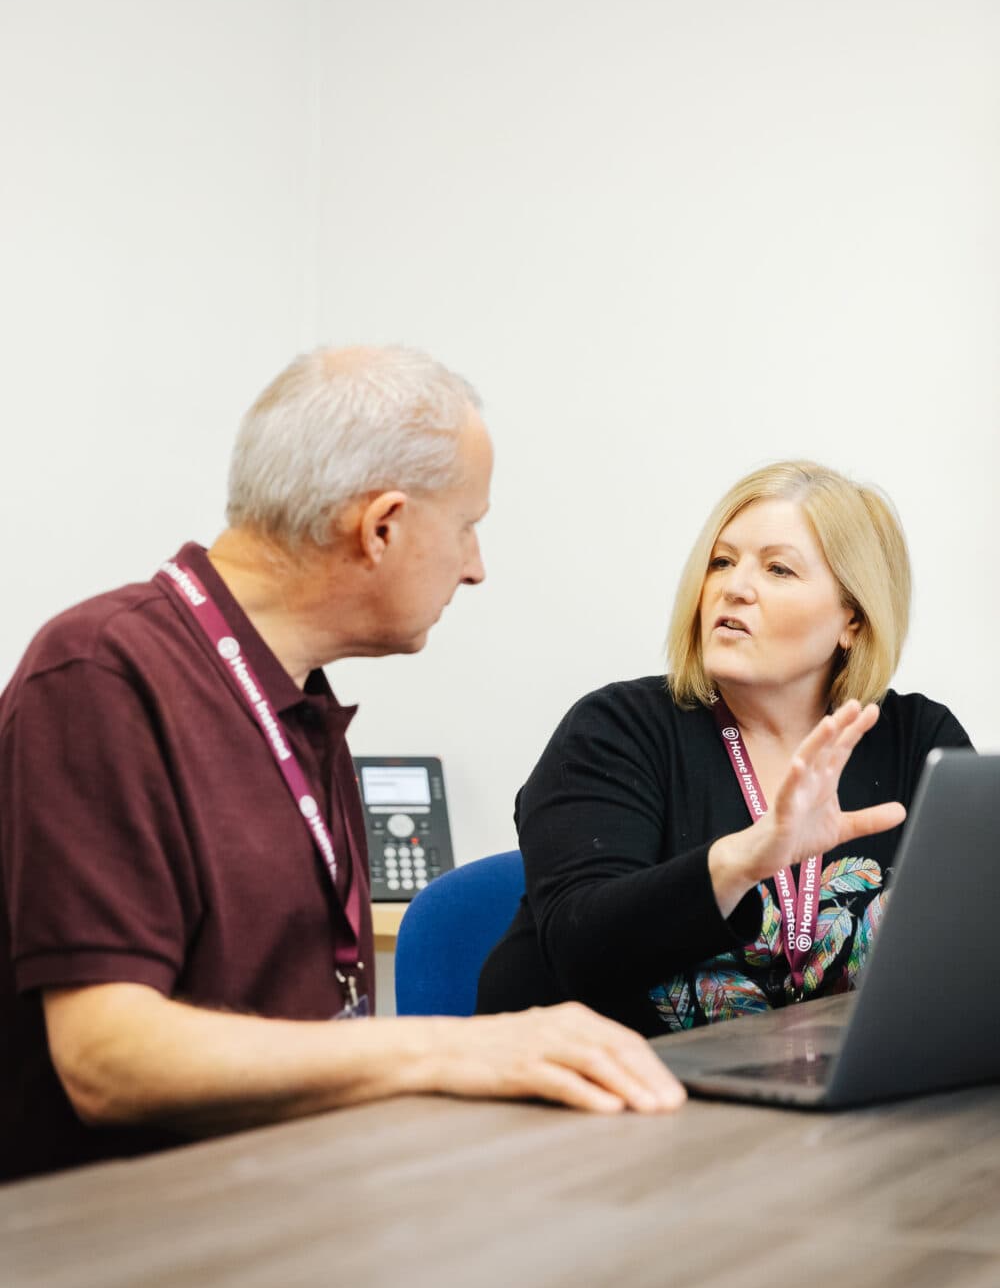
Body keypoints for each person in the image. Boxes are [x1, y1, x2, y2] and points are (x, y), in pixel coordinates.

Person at [0, 346, 685, 1183]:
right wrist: (449, 1049)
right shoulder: (100, 675)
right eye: (468, 524)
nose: (476, 567)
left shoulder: (287, 698)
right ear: (382, 525)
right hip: (142, 1236)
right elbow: (107, 1058)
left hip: (293, 1195)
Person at [477, 460, 972, 1035]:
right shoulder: (614, 730)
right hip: (596, 1099)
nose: (734, 587)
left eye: (779, 569)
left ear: (853, 620)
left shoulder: (916, 739)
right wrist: (747, 858)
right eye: (722, 562)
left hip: (827, 1100)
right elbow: (580, 950)